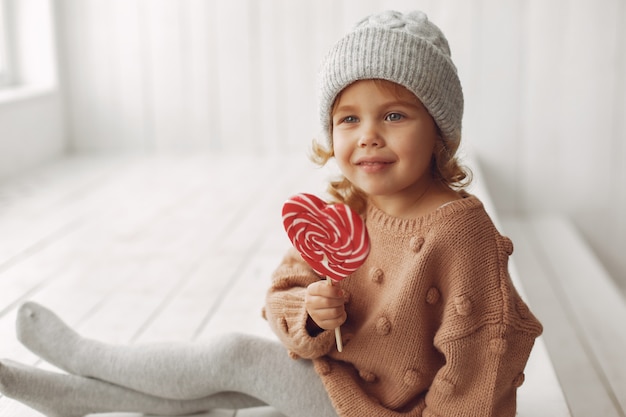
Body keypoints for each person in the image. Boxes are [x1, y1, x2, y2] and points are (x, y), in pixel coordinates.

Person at [0, 10, 542, 417]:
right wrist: (311, 312)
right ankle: (78, 395)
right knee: (224, 390)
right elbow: (283, 292)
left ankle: (88, 356)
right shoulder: (347, 209)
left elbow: (483, 352)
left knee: (232, 357)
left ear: (439, 132)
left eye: (394, 115)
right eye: (348, 118)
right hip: (341, 378)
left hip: (387, 410)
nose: (369, 135)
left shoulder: (460, 228)